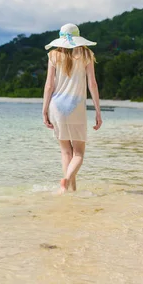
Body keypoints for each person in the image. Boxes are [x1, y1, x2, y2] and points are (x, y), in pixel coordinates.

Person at [42, 23, 102, 194]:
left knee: (66, 152)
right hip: (76, 107)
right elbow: (93, 84)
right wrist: (98, 111)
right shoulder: (86, 54)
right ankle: (67, 182)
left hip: (56, 107)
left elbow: (49, 85)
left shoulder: (53, 55)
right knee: (79, 154)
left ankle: (69, 190)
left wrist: (44, 110)